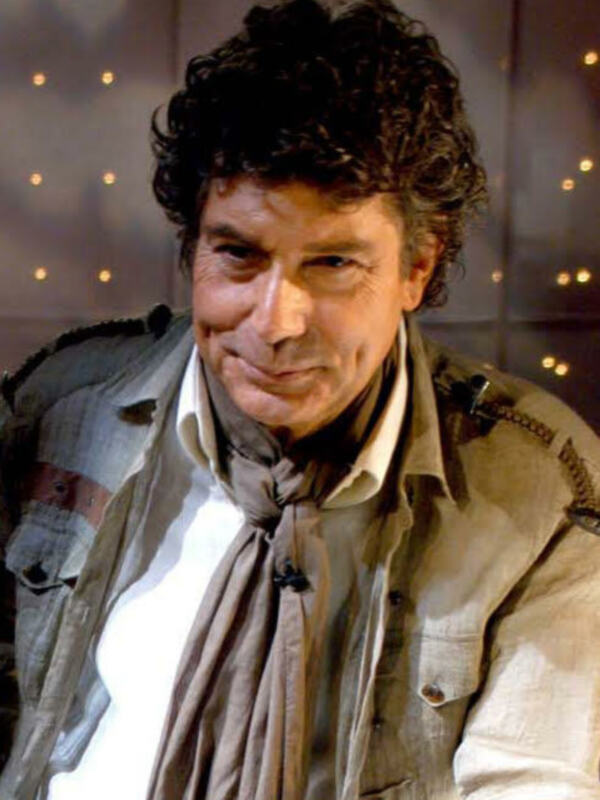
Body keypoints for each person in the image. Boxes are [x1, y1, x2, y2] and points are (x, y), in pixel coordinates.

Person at [1, 0, 599, 797]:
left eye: (333, 264)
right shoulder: (64, 408)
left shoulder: (542, 490)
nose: (275, 323)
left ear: (416, 269)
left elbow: (534, 782)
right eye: (238, 255)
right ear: (193, 246)